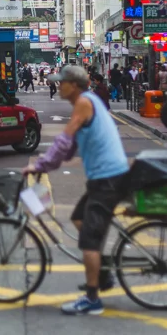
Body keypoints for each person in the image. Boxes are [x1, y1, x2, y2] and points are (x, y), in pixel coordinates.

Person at [24, 65, 129, 316]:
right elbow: (69, 147)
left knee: (89, 239)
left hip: (108, 178)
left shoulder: (83, 103)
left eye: (61, 82)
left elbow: (63, 141)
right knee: (79, 218)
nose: (57, 85)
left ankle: (93, 299)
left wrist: (41, 165)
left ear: (74, 85)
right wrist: (49, 164)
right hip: (105, 177)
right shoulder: (87, 101)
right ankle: (102, 271)